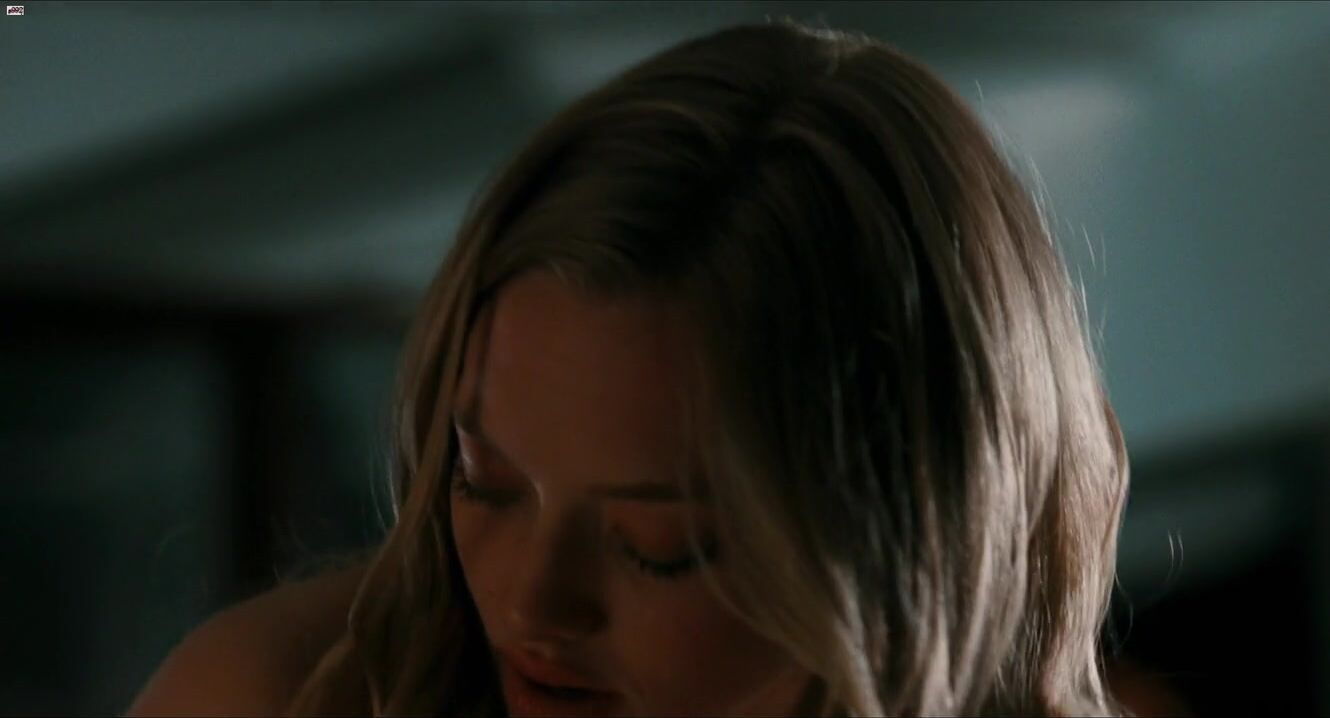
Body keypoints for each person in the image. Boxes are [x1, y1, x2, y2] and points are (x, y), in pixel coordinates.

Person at [128, 17, 1130, 717]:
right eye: (485, 481)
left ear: (900, 544)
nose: (531, 604)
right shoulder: (285, 698)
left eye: (658, 545)